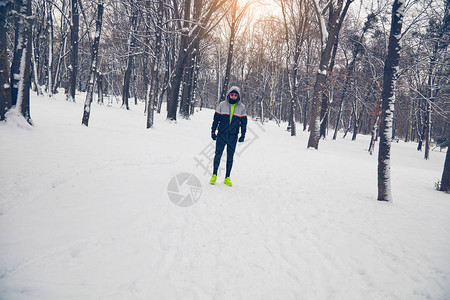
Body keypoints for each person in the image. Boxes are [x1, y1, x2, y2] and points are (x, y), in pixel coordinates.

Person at [210, 86, 247, 187]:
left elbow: (244, 123)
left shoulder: (242, 107)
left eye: (236, 95)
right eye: (232, 94)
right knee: (218, 154)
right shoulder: (222, 105)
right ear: (229, 95)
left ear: (238, 96)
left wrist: (243, 134)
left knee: (230, 157)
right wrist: (213, 132)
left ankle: (227, 177)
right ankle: (214, 174)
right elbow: (216, 120)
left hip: (233, 136)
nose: (233, 96)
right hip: (221, 134)